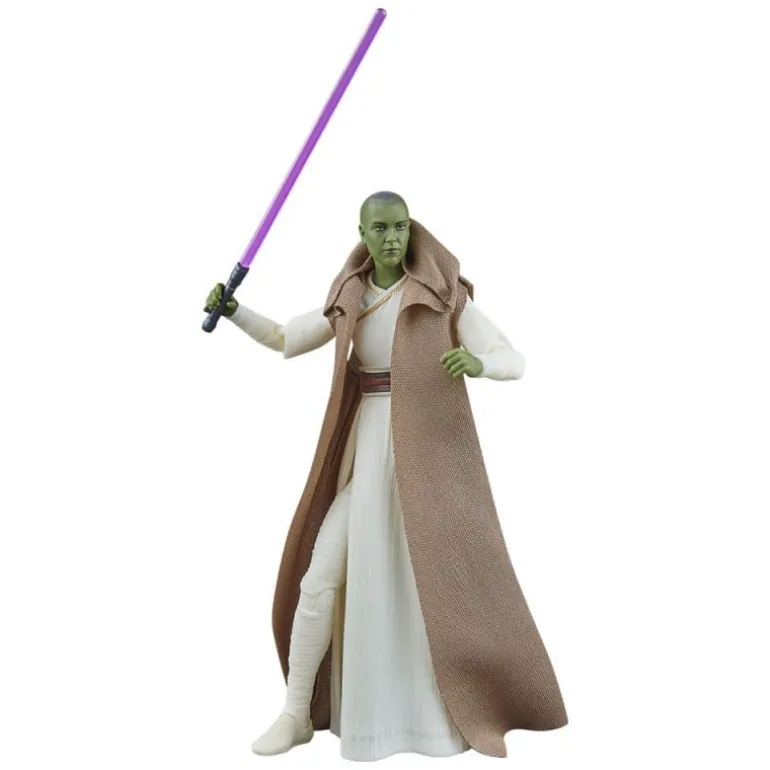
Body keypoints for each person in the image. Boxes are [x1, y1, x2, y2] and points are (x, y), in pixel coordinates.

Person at [203, 191, 567, 761]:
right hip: (368, 451)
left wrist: (479, 364)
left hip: (428, 461)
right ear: (363, 234)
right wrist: (235, 312)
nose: (392, 237)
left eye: (400, 227)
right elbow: (286, 338)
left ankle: (439, 715)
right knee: (320, 577)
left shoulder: (441, 296)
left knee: (434, 590)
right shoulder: (350, 297)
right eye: (380, 228)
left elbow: (511, 357)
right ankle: (296, 712)